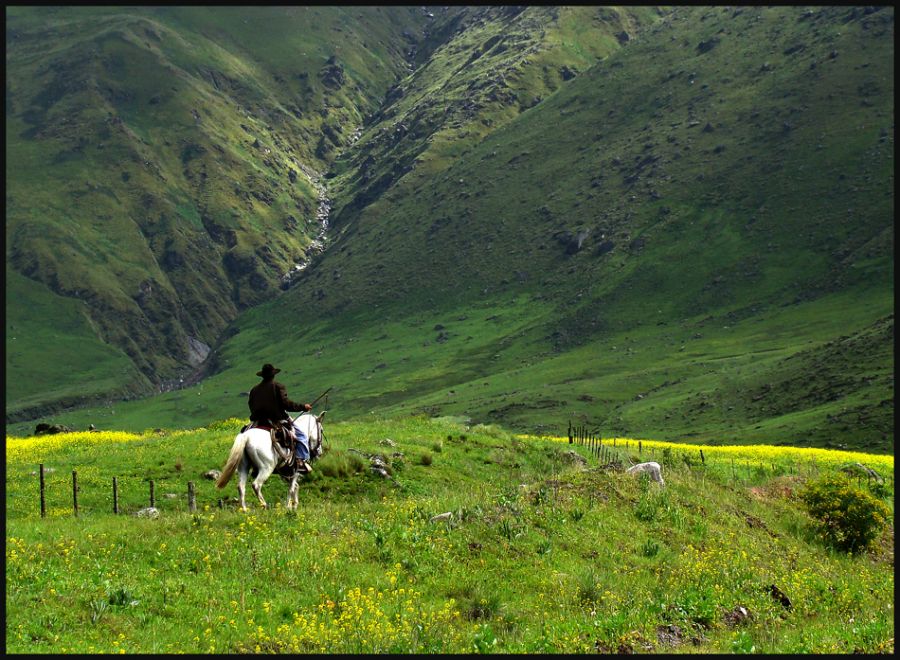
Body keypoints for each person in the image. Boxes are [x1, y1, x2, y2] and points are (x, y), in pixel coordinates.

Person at [248, 363, 313, 471]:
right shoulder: (278, 387)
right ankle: (300, 461)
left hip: (259, 421)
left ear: (263, 376)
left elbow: (251, 405)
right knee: (302, 436)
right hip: (277, 419)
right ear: (273, 375)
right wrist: (303, 407)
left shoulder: (254, 390)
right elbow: (286, 404)